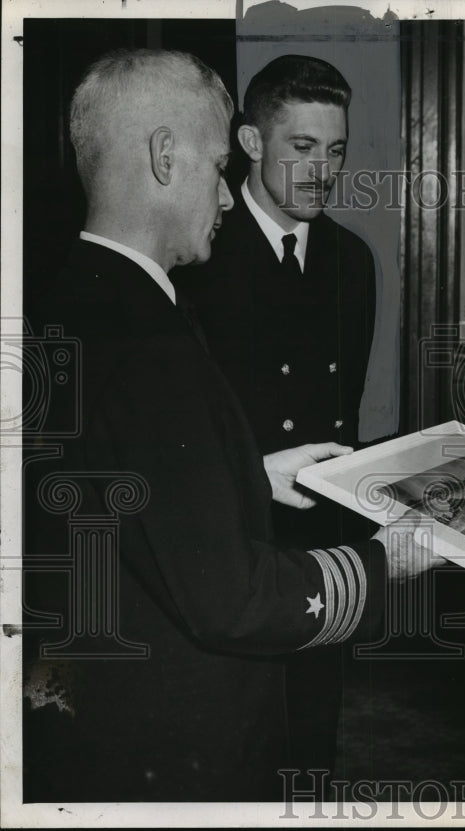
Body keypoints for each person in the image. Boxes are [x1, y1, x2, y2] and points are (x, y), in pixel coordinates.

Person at [22, 48, 438, 802]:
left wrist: (252, 471)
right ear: (164, 157)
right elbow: (231, 597)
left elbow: (129, 486)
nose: (224, 195)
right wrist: (391, 564)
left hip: (104, 684)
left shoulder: (74, 299)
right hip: (180, 714)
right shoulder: (149, 335)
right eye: (220, 166)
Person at [172, 53, 379, 775]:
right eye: (302, 147)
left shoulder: (353, 263)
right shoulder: (197, 257)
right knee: (234, 750)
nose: (322, 170)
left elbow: (341, 415)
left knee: (313, 743)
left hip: (318, 550)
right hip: (229, 551)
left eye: (336, 150)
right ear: (253, 144)